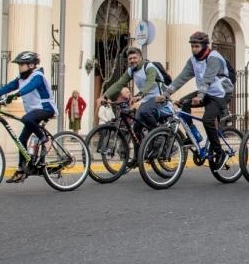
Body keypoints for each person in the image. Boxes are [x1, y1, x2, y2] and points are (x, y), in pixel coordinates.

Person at [158, 31, 234, 169]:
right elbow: (182, 77)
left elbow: (208, 78)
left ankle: (220, 153)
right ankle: (193, 135)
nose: (194, 49)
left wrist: (200, 96)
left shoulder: (214, 57)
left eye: (197, 46)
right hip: (205, 93)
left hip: (221, 93)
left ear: (205, 46)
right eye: (192, 46)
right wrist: (166, 93)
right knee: (182, 103)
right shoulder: (193, 60)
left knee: (208, 120)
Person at [0, 51, 56, 183]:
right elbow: (9, 86)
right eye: (19, 64)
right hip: (33, 113)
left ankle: (45, 140)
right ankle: (21, 170)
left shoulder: (37, 76)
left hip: (46, 109)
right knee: (21, 140)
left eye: (22, 64)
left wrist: (16, 95)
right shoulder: (21, 79)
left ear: (32, 65)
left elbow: (30, 87)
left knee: (26, 119)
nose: (19, 67)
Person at [99, 47, 173, 139]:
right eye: (130, 59)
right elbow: (119, 84)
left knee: (144, 111)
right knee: (136, 127)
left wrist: (139, 95)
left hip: (159, 97)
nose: (132, 60)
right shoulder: (131, 70)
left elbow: (150, 82)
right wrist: (105, 96)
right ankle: (141, 151)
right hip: (146, 100)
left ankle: (159, 136)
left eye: (135, 58)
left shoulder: (149, 67)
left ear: (140, 58)